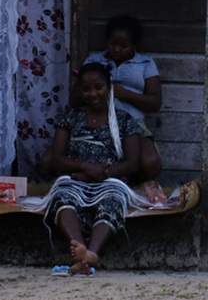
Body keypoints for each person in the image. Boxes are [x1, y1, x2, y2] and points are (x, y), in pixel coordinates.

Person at [43, 62, 155, 276]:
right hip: (75, 180)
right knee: (62, 199)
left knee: (112, 201)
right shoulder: (70, 118)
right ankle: (80, 250)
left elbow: (132, 163)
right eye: (86, 89)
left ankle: (92, 252)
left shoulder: (124, 120)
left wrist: (102, 174)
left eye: (98, 87)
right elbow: (56, 159)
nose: (92, 93)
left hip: (109, 182)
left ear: (109, 87)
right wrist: (85, 168)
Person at [82, 14, 162, 182]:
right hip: (99, 120)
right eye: (113, 44)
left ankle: (135, 186)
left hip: (134, 123)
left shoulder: (145, 63)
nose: (117, 49)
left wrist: (125, 94)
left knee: (150, 162)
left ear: (134, 45)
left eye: (124, 45)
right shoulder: (94, 60)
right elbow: (78, 94)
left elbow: (155, 102)